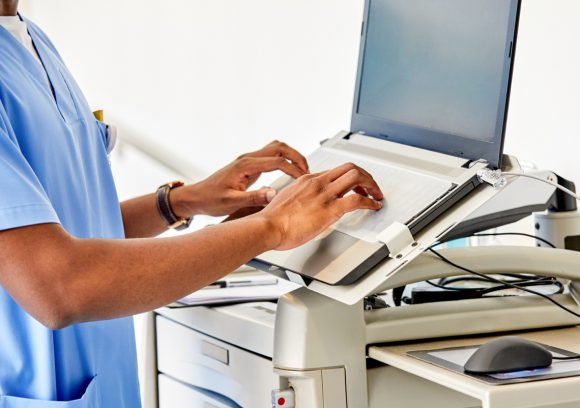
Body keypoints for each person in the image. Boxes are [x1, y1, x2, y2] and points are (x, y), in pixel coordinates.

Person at [0, 0, 384, 406]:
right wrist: (273, 226)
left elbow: (63, 227)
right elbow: (59, 286)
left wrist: (179, 203)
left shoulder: (26, 35)